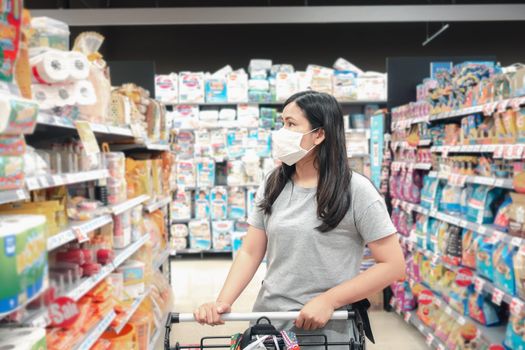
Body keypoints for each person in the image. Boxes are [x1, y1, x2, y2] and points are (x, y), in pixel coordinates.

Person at [194, 91, 405, 344]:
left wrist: (330, 300)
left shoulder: (356, 190)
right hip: (268, 324)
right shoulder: (274, 183)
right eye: (282, 123)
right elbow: (251, 252)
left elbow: (393, 265)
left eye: (291, 124)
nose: (282, 132)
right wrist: (222, 302)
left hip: (328, 332)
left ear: (319, 133)